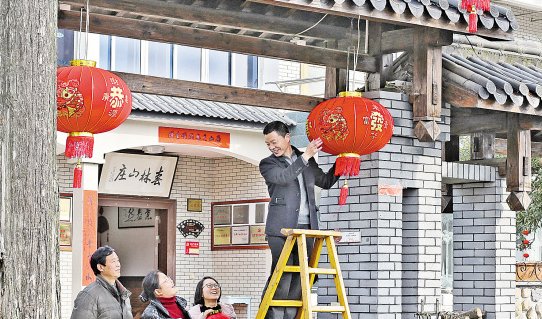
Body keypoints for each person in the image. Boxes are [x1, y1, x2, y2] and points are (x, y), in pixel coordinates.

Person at [259, 121, 340, 319]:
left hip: (307, 228)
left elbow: (325, 181)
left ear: (287, 137)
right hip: (281, 229)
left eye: (274, 142)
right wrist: (305, 156)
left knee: (303, 278)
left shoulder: (307, 161)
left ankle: (293, 317)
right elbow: (284, 178)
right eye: (268, 144)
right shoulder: (268, 163)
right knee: (283, 276)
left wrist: (343, 161)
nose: (272, 147)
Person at [70, 246, 133, 319]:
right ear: (100, 267)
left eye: (118, 260)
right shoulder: (89, 295)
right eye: (113, 261)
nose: (118, 264)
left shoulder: (124, 294)